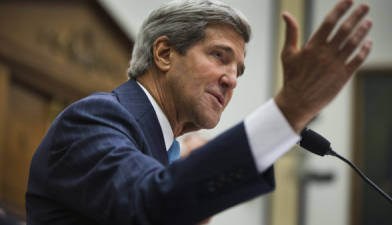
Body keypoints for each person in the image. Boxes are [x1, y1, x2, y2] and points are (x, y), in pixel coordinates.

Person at [25, 0, 372, 224]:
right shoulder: (94, 118)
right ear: (163, 54)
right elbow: (151, 201)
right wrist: (288, 112)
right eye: (219, 56)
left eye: (239, 69)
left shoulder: (167, 153)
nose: (231, 79)